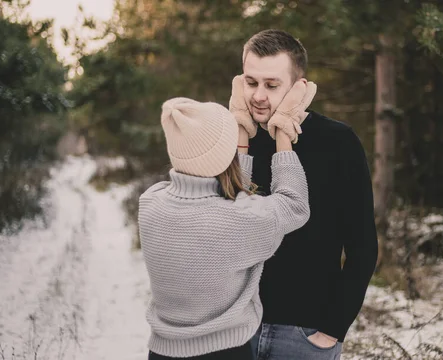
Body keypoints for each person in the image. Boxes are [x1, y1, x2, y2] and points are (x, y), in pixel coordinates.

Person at [229, 29, 379, 359]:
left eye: (271, 85)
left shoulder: (337, 142)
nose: (258, 95)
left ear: (299, 87)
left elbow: (363, 246)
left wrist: (332, 330)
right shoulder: (226, 139)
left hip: (304, 334)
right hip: (233, 332)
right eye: (251, 82)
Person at [138, 94, 314, 359]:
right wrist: (284, 137)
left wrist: (236, 141)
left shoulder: (151, 202)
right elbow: (294, 205)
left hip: (161, 352)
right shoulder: (240, 219)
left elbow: (217, 198)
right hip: (224, 352)